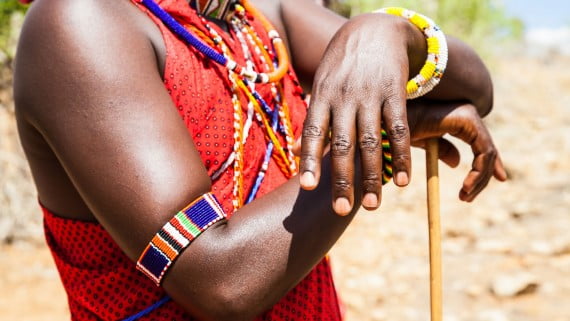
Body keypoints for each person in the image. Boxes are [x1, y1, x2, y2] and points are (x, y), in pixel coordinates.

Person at [13, 0, 506, 319]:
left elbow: (475, 87)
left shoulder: (259, 18)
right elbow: (221, 280)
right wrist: (372, 132)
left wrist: (392, 36)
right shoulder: (81, 21)